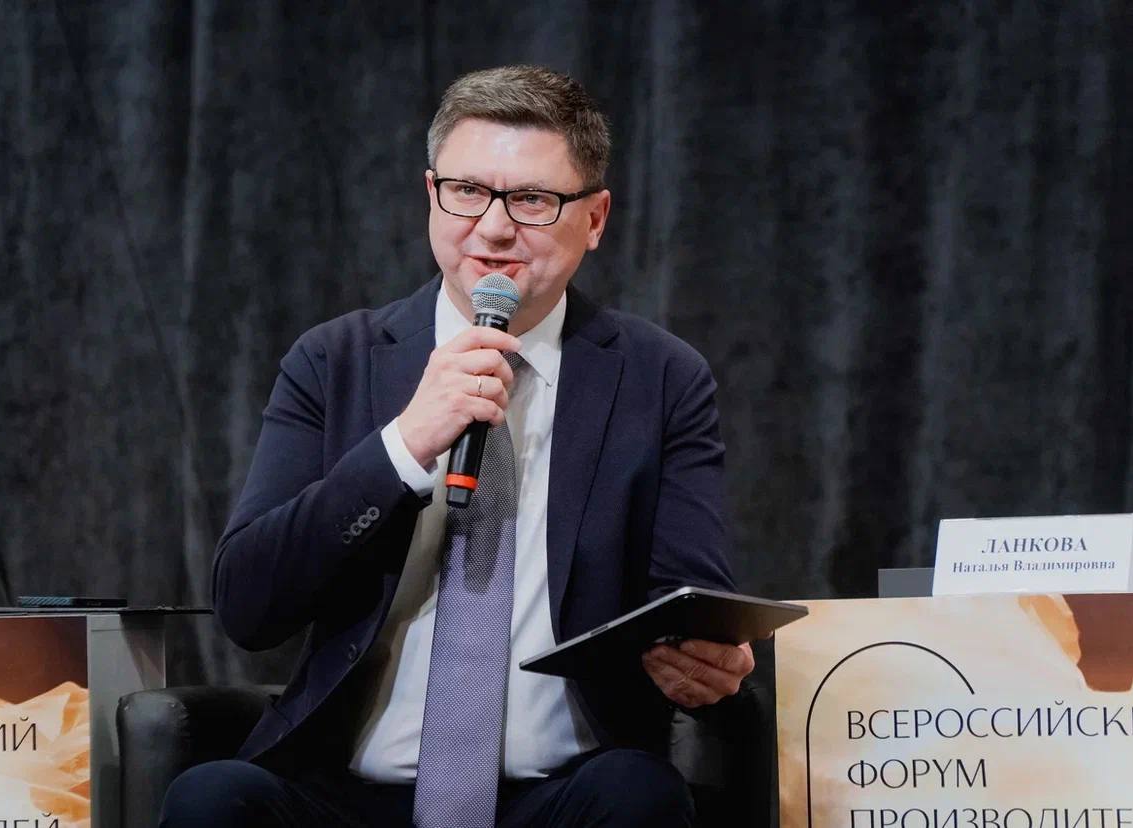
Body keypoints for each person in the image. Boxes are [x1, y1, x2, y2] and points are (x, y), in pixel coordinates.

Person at [161, 64, 754, 827]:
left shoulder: (660, 378)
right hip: (348, 795)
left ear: (595, 218)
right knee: (211, 799)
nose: (494, 228)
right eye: (467, 191)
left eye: (532, 200)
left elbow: (690, 600)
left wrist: (706, 657)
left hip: (557, 794)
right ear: (431, 195)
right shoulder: (334, 361)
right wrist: (405, 444)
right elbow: (248, 606)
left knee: (639, 796)